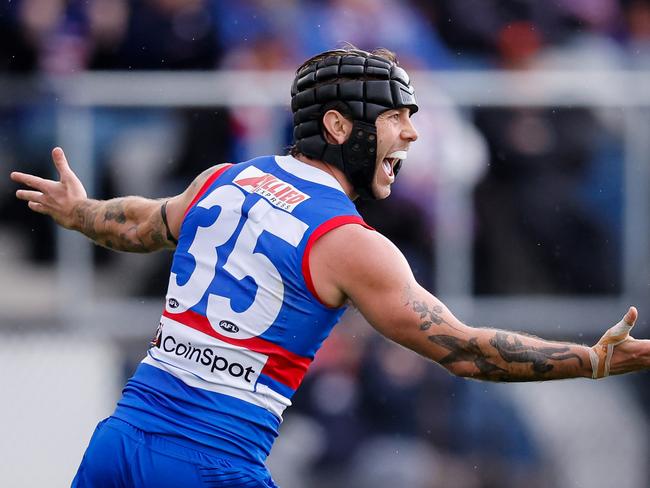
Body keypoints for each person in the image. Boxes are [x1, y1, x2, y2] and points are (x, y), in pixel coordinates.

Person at [10, 46, 647, 487]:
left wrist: (80, 211)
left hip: (117, 444)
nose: (412, 136)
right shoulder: (348, 241)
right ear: (339, 126)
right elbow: (465, 351)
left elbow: (139, 224)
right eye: (396, 118)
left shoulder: (224, 180)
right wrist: (587, 360)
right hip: (211, 464)